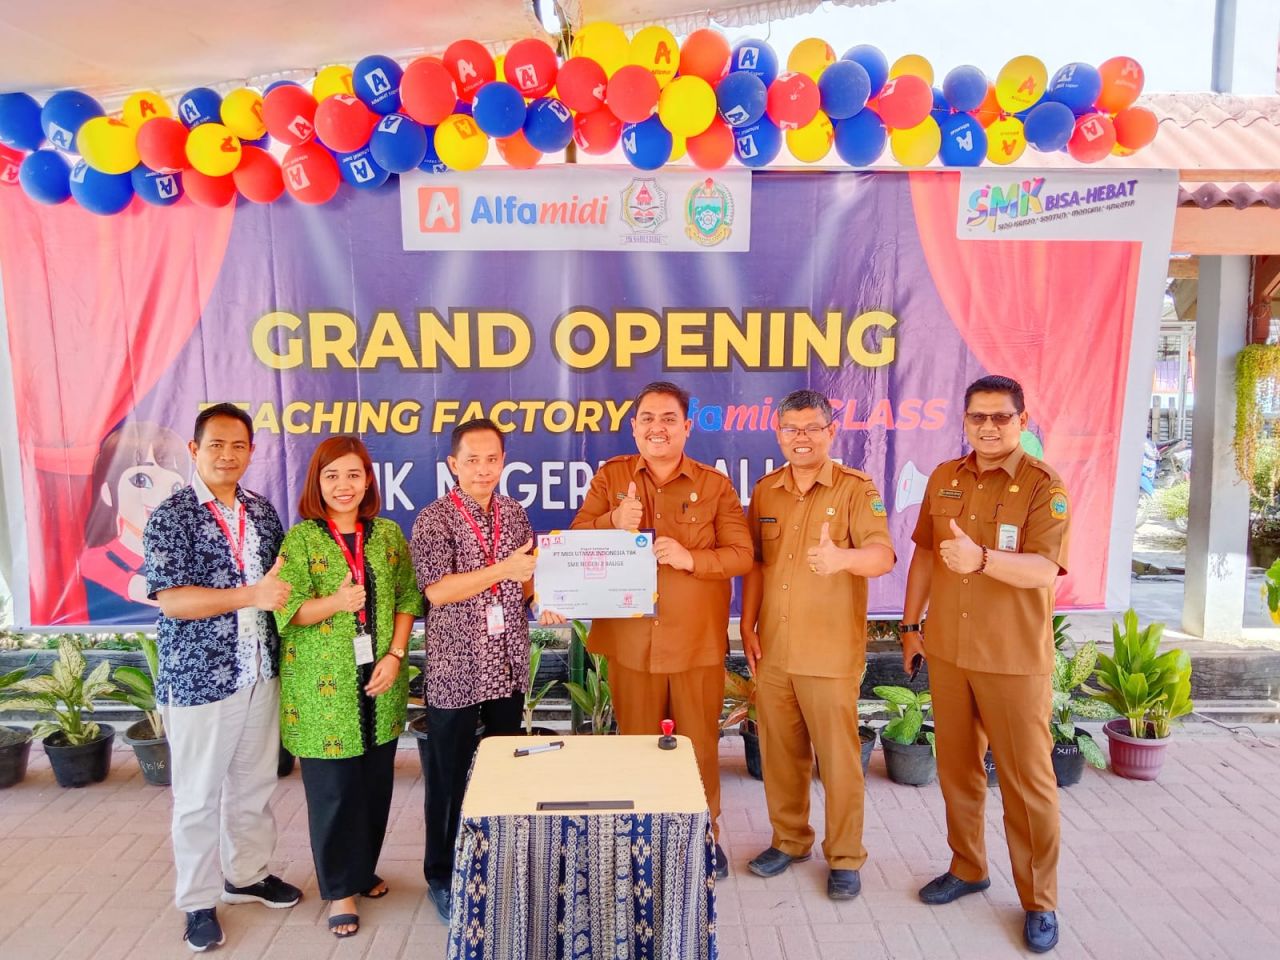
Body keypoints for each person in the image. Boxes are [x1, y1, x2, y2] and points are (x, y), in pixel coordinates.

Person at [899, 375, 1070, 954]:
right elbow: (925, 552)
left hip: (1012, 661)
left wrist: (982, 560)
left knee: (1028, 785)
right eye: (978, 417)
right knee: (957, 771)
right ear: (965, 420)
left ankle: (1039, 900)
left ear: (1022, 420)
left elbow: (1043, 570)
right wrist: (909, 625)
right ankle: (968, 866)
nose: (989, 427)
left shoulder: (1045, 486)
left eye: (1001, 417)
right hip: (948, 651)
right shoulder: (946, 476)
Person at [566, 381, 753, 879]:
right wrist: (613, 520)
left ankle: (705, 834)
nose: (657, 427)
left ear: (687, 426)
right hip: (631, 641)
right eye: (647, 418)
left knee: (698, 746)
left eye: (669, 418)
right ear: (634, 427)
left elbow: (742, 554)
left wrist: (691, 557)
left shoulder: (715, 485)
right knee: (637, 743)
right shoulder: (612, 477)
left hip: (695, 641)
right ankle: (643, 838)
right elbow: (575, 541)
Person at [142, 403, 301, 953]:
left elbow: (283, 585)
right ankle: (197, 901)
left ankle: (247, 875)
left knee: (255, 786)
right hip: (201, 680)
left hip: (259, 669)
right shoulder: (173, 515)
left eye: (238, 446)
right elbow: (173, 601)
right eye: (216, 446)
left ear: (252, 452)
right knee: (197, 797)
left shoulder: (261, 512)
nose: (228, 455)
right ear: (194, 450)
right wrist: (251, 595)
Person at [740, 389, 895, 900]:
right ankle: (789, 840)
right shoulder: (765, 491)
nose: (801, 437)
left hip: (829, 653)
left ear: (832, 432)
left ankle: (846, 856)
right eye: (791, 429)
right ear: (778, 434)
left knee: (839, 760)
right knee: (781, 755)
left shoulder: (855, 488)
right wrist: (746, 624)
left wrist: (843, 560)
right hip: (776, 650)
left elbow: (883, 555)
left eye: (812, 428)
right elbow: (759, 565)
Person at [274, 436, 423, 938]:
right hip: (323, 690)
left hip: (380, 680)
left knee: (375, 788)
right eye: (332, 475)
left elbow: (407, 597)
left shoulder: (386, 535)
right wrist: (336, 603)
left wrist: (396, 654)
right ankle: (339, 889)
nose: (344, 485)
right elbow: (286, 610)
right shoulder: (302, 540)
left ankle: (362, 870)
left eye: (354, 475)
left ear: (368, 480)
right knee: (335, 792)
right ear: (318, 482)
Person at [409, 418, 544, 922]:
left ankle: (499, 861)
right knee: (447, 779)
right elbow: (438, 591)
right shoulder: (434, 520)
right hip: (457, 670)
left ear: (503, 463)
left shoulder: (514, 513)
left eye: (492, 459)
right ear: (453, 465)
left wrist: (544, 597)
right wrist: (503, 570)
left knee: (505, 771)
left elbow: (525, 582)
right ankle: (442, 874)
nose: (483, 469)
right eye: (472, 460)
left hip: (506, 664)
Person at [81, 420, 187, 620]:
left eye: (174, 488)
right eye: (141, 481)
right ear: (107, 492)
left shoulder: (184, 555)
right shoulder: (95, 560)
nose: (161, 497)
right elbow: (170, 600)